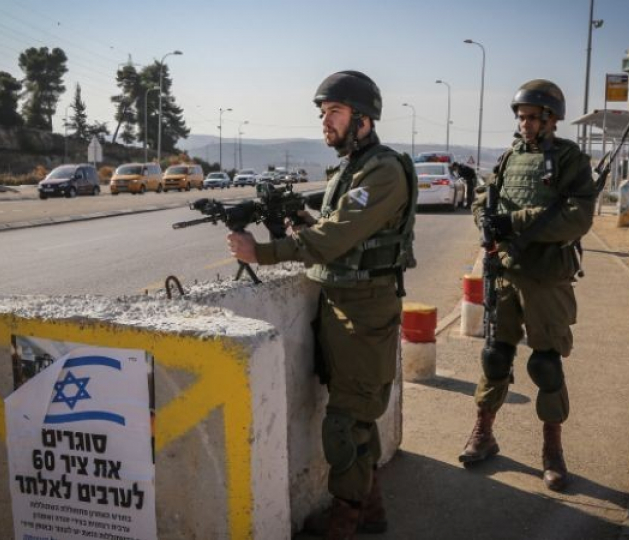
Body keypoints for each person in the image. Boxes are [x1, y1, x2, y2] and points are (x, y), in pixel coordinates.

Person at [227, 70, 417, 539]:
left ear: (364, 119)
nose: (325, 122)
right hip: (341, 304)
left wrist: (261, 252)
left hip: (365, 311)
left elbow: (333, 239)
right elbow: (335, 230)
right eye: (322, 113)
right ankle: (371, 510)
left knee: (344, 423)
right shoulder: (352, 168)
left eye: (335, 112)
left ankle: (344, 521)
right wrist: (296, 217)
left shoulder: (383, 171)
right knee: (357, 414)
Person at [459, 79, 595, 492]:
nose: (525, 124)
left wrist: (514, 221)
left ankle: (552, 451)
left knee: (545, 365)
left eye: (533, 117)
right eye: (521, 117)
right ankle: (484, 433)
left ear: (551, 119)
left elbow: (578, 217)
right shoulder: (509, 158)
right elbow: (485, 197)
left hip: (546, 276)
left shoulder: (570, 159)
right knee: (495, 357)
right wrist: (484, 218)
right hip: (504, 272)